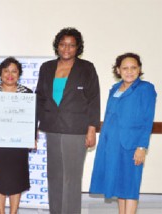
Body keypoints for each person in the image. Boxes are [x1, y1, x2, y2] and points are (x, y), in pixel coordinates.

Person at [35, 27, 100, 214]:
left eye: (72, 45)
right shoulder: (46, 67)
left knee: (71, 178)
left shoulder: (87, 68)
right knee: (54, 176)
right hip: (52, 128)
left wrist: (91, 129)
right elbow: (40, 99)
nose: (67, 49)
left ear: (78, 47)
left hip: (76, 130)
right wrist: (32, 131)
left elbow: (94, 99)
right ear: (57, 46)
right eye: (63, 44)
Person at [90, 53, 156, 214]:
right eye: (125, 68)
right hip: (111, 144)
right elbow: (109, 116)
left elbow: (147, 119)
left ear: (139, 69)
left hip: (131, 145)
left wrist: (142, 146)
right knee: (119, 185)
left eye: (133, 68)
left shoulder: (145, 88)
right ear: (118, 70)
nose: (129, 71)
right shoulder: (114, 88)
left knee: (130, 185)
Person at [0, 57, 31, 214]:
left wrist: (33, 137)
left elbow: (33, 118)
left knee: (17, 179)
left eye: (14, 71)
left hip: (19, 143)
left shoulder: (27, 93)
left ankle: (13, 212)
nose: (10, 75)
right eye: (6, 71)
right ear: (0, 73)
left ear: (19, 74)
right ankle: (1, 212)